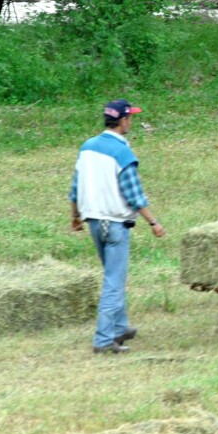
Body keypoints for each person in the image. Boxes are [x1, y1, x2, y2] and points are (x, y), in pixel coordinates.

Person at [69, 99, 166, 354]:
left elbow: (75, 188)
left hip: (92, 221)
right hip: (114, 225)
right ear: (123, 121)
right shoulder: (122, 152)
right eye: (130, 118)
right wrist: (153, 222)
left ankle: (120, 327)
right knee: (113, 281)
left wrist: (75, 216)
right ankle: (103, 340)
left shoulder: (87, 148)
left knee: (113, 276)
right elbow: (134, 194)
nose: (131, 121)